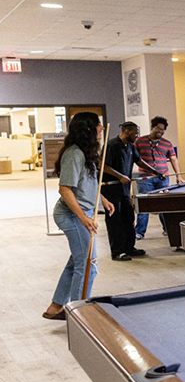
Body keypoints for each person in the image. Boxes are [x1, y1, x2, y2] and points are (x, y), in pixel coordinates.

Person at [43, 112, 115, 320]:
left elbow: (88, 182)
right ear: (88, 129)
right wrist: (84, 218)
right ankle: (79, 314)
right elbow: (65, 189)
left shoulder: (87, 151)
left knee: (77, 261)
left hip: (79, 214)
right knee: (88, 265)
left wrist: (101, 198)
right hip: (71, 215)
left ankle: (56, 306)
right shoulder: (75, 154)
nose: (101, 128)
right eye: (98, 125)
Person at [101, 121, 158, 261]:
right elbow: (103, 166)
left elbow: (138, 161)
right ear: (127, 130)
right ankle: (117, 252)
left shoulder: (131, 146)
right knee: (115, 220)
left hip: (124, 190)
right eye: (135, 133)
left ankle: (129, 247)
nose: (137, 136)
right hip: (111, 190)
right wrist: (120, 176)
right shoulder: (111, 145)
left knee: (128, 218)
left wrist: (154, 171)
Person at [134, 116, 185, 240]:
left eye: (163, 130)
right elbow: (134, 158)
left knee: (164, 204)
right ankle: (139, 232)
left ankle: (168, 229)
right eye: (158, 129)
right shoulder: (139, 141)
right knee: (144, 205)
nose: (160, 132)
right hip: (145, 178)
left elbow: (173, 159)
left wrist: (179, 176)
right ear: (152, 127)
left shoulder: (167, 144)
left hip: (163, 178)